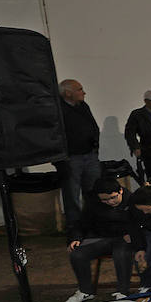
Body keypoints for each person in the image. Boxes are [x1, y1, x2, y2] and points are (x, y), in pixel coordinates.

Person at [63, 178, 140, 302]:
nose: (110, 202)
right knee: (77, 254)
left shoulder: (132, 201)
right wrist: (75, 238)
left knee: (121, 253)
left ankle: (123, 291)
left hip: (124, 239)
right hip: (102, 238)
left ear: (120, 191)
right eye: (104, 200)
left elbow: (141, 222)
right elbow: (81, 223)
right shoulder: (93, 203)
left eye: (113, 197)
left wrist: (133, 233)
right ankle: (85, 291)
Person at [55, 78, 102, 231]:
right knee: (72, 195)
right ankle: (75, 228)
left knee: (93, 191)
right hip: (71, 159)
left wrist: (95, 148)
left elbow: (93, 127)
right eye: (80, 89)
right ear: (68, 93)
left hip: (90, 155)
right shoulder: (58, 110)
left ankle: (93, 222)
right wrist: (62, 158)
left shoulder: (83, 106)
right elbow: (54, 136)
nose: (84, 92)